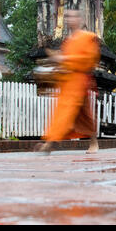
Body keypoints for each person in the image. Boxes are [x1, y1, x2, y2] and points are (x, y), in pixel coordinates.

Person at [36, 10, 100, 154]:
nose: (69, 20)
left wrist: (65, 60)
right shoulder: (67, 42)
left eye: (73, 16)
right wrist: (56, 65)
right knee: (64, 112)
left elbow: (90, 60)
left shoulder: (89, 37)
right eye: (67, 17)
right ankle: (50, 141)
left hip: (80, 81)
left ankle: (92, 142)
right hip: (67, 82)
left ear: (81, 20)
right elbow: (63, 62)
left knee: (78, 114)